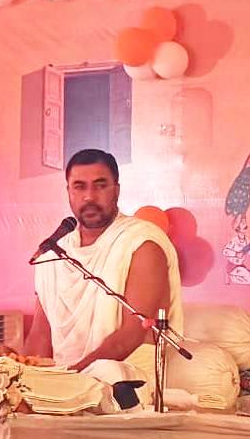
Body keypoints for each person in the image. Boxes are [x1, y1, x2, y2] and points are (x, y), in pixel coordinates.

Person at [25, 149, 183, 405]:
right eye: (79, 187)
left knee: (110, 374)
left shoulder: (141, 243)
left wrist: (70, 380)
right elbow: (40, 336)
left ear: (116, 190)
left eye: (100, 186)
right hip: (63, 384)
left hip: (125, 382)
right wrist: (27, 381)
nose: (89, 196)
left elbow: (131, 335)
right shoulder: (53, 254)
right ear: (68, 192)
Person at [222, 217, 250, 285]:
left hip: (241, 266)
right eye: (242, 222)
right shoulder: (234, 240)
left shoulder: (247, 240)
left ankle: (238, 276)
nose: (244, 223)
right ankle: (231, 276)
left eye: (244, 222)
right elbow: (225, 251)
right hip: (233, 267)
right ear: (238, 228)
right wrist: (235, 254)